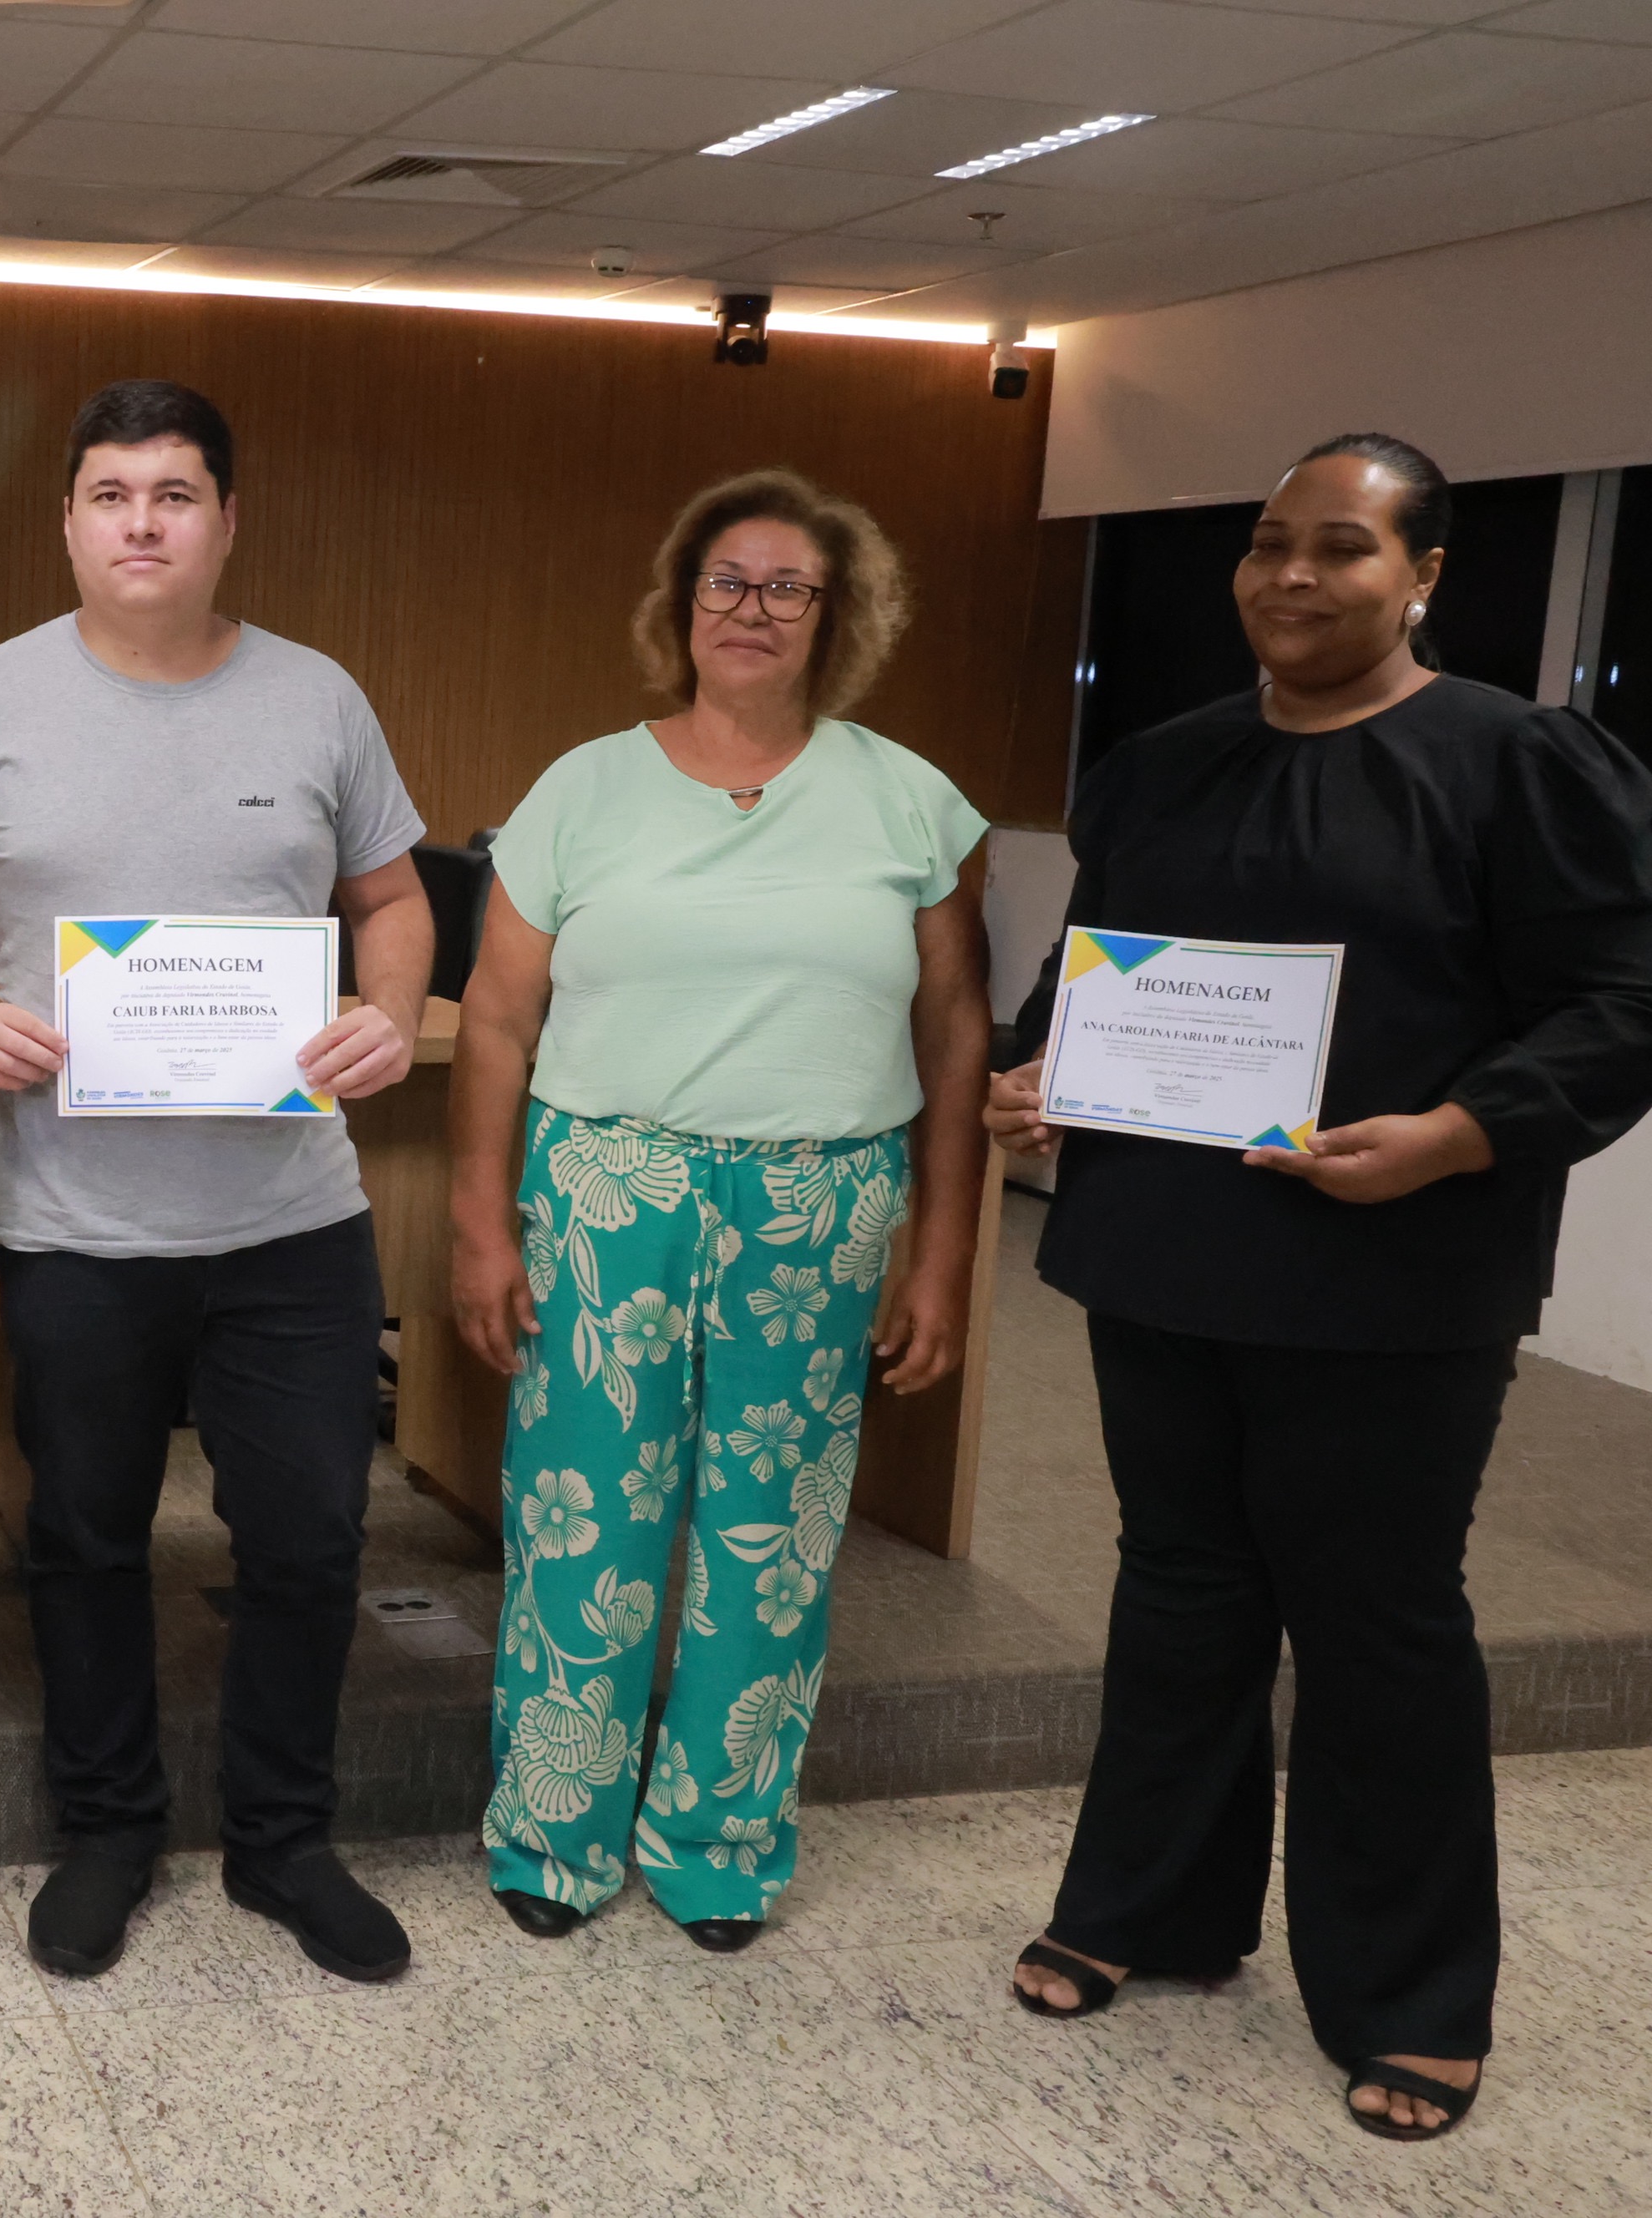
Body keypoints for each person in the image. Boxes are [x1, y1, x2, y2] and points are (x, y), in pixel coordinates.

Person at [989, 433, 1652, 2140]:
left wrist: (1458, 1134)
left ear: (1422, 575)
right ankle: (1153, 1906)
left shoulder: (1516, 762)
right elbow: (1094, 968)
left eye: (1342, 547)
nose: (1293, 574)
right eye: (1270, 541)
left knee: (1377, 1617)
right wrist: (1038, 1069)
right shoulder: (1164, 763)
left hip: (1394, 1271)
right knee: (1181, 1586)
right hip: (1163, 1254)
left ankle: (1410, 1991)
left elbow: (1621, 1002)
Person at [0, 379, 433, 1985]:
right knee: (84, 1536)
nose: (143, 523)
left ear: (227, 520)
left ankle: (284, 1841)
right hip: (76, 1225)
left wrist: (390, 1010)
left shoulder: (318, 698)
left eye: (176, 494)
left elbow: (394, 899)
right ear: (67, 520)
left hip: (292, 1225)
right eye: (112, 494)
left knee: (310, 1542)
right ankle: (109, 1830)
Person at [444, 467, 986, 1952]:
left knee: (774, 1538)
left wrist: (944, 1253)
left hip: (821, 1203)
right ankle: (552, 1830)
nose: (752, 609)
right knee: (582, 1519)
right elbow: (495, 1019)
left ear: (836, 615)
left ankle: (719, 1839)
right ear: (681, 605)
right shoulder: (581, 788)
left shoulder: (910, 800)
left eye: (787, 587)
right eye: (725, 582)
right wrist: (480, 1226)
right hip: (608, 1188)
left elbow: (955, 1031)